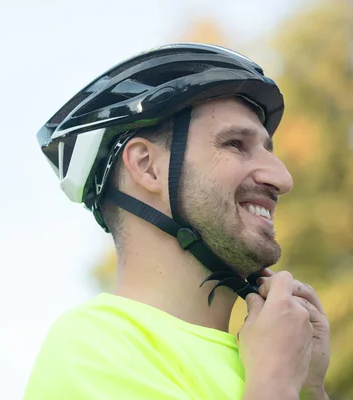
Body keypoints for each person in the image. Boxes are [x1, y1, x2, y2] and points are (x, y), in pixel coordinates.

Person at [24, 43, 330, 400]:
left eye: (268, 150)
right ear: (146, 166)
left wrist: (309, 388)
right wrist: (276, 382)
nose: (282, 178)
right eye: (234, 144)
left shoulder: (267, 357)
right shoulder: (93, 350)